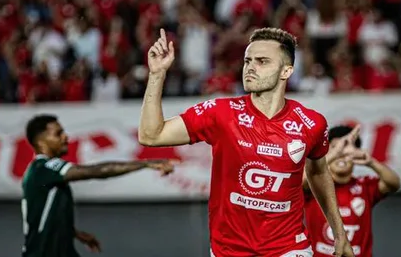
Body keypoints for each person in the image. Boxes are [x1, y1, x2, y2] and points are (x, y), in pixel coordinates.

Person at [139, 28, 355, 257]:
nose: (251, 67)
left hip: (288, 248)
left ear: (286, 71)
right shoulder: (220, 113)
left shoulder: (312, 123)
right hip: (229, 250)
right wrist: (157, 75)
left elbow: (319, 173)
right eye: (247, 61)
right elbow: (151, 135)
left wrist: (339, 233)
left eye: (262, 61)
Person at [21, 114, 176, 257]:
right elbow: (95, 171)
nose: (65, 136)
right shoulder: (43, 168)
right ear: (41, 142)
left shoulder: (42, 173)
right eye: (58, 133)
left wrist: (74, 233)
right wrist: (146, 164)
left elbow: (40, 214)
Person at [303, 124, 401, 257]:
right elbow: (302, 180)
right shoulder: (315, 185)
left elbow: (394, 184)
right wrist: (331, 155)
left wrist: (370, 162)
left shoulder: (364, 186)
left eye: (347, 150)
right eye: (336, 148)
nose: (341, 154)